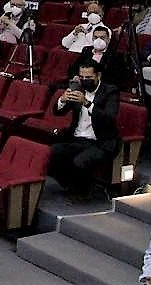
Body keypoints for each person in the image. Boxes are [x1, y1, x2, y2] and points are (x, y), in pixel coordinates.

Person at [48, 60, 119, 201]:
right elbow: (58, 112)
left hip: (100, 142)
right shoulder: (78, 89)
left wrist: (87, 103)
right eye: (82, 78)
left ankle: (83, 192)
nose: (84, 81)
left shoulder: (110, 92)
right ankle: (72, 184)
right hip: (77, 138)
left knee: (80, 162)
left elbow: (109, 118)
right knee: (50, 153)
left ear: (98, 76)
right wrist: (62, 100)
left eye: (88, 78)